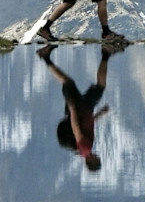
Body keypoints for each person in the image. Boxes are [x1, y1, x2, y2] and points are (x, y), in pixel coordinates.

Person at [40, 44, 113, 172]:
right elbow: (87, 125)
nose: (98, 157)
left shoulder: (85, 149)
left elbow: (77, 130)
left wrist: (72, 110)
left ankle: (45, 57)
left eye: (97, 160)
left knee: (68, 82)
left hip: (79, 109)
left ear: (91, 162)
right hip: (86, 108)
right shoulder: (84, 150)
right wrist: (100, 114)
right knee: (98, 87)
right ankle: (106, 54)